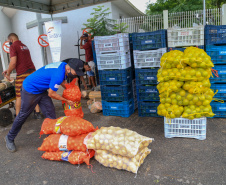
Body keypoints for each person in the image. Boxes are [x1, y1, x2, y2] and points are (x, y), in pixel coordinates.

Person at [4, 60, 91, 152]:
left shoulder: (64, 66)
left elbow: (63, 82)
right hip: (30, 89)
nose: (76, 74)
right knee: (23, 115)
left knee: (50, 112)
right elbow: (51, 94)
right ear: (69, 68)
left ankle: (52, 138)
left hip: (41, 90)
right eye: (75, 72)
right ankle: (9, 137)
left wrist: (72, 92)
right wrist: (66, 100)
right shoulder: (58, 74)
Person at [2, 33, 41, 119]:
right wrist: (8, 69)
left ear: (11, 40)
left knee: (19, 95)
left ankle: (18, 116)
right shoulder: (24, 46)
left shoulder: (13, 46)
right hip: (32, 71)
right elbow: (20, 60)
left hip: (23, 73)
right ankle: (37, 113)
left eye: (9, 42)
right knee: (33, 91)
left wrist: (8, 74)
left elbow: (13, 62)